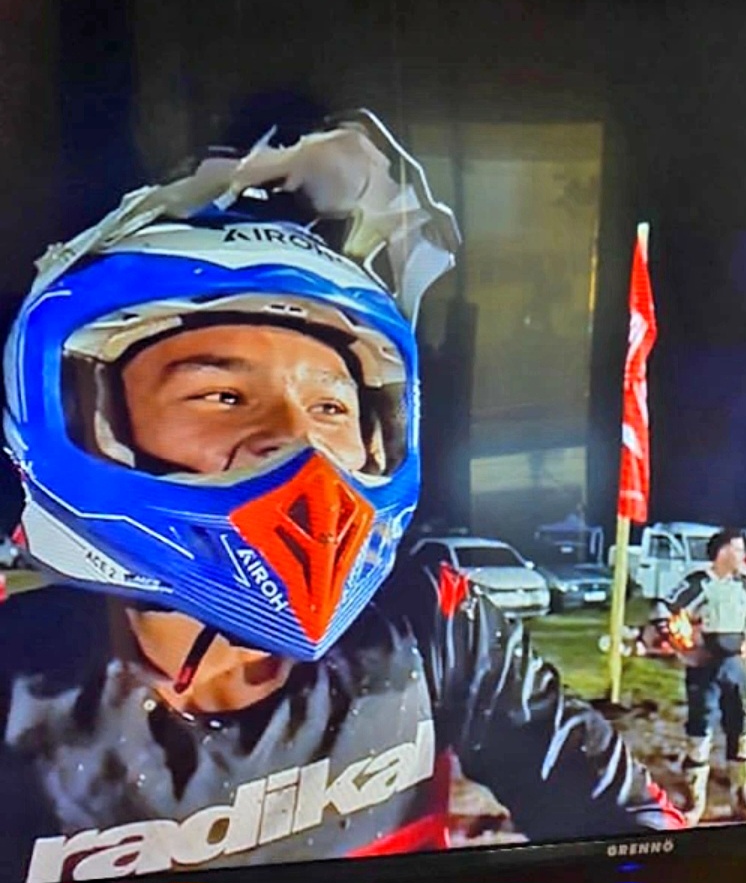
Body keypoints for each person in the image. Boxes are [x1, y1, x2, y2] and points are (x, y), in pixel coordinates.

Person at [0, 110, 683, 883]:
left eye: (331, 405)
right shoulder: (17, 690)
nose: (302, 444)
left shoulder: (428, 624)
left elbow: (640, 835)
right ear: (83, 418)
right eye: (223, 395)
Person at [654, 528, 746, 825]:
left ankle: (740, 798)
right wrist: (681, 645)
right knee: (700, 730)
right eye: (738, 549)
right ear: (722, 552)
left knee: (740, 729)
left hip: (735, 666)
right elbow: (664, 608)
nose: (743, 555)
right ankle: (695, 803)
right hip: (704, 666)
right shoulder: (698, 583)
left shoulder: (742, 584)